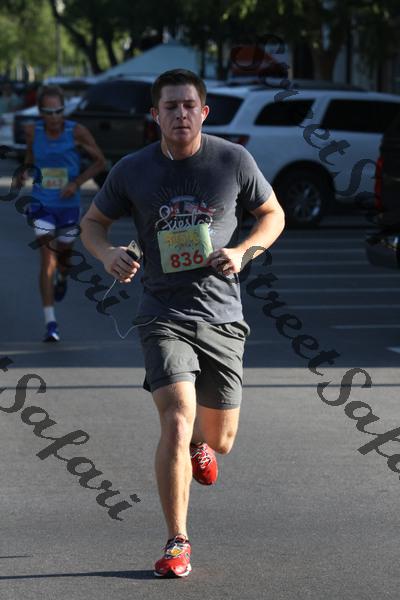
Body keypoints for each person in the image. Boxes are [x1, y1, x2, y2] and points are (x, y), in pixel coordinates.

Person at [80, 69, 285, 577]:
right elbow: (92, 223)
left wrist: (242, 252)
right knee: (175, 418)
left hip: (222, 314)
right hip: (162, 313)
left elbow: (273, 214)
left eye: (189, 105)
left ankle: (201, 444)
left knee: (221, 438)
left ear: (204, 111)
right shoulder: (132, 169)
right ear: (155, 115)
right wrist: (107, 255)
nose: (180, 114)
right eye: (170, 106)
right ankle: (178, 541)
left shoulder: (233, 161)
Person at [21, 85, 106, 342]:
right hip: (42, 203)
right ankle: (51, 323)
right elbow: (30, 157)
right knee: (48, 259)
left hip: (68, 204)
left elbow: (100, 161)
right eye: (49, 112)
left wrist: (76, 183)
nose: (54, 117)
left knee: (64, 257)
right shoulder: (32, 131)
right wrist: (25, 172)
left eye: (58, 110)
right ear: (40, 112)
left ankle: (63, 276)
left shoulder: (75, 131)